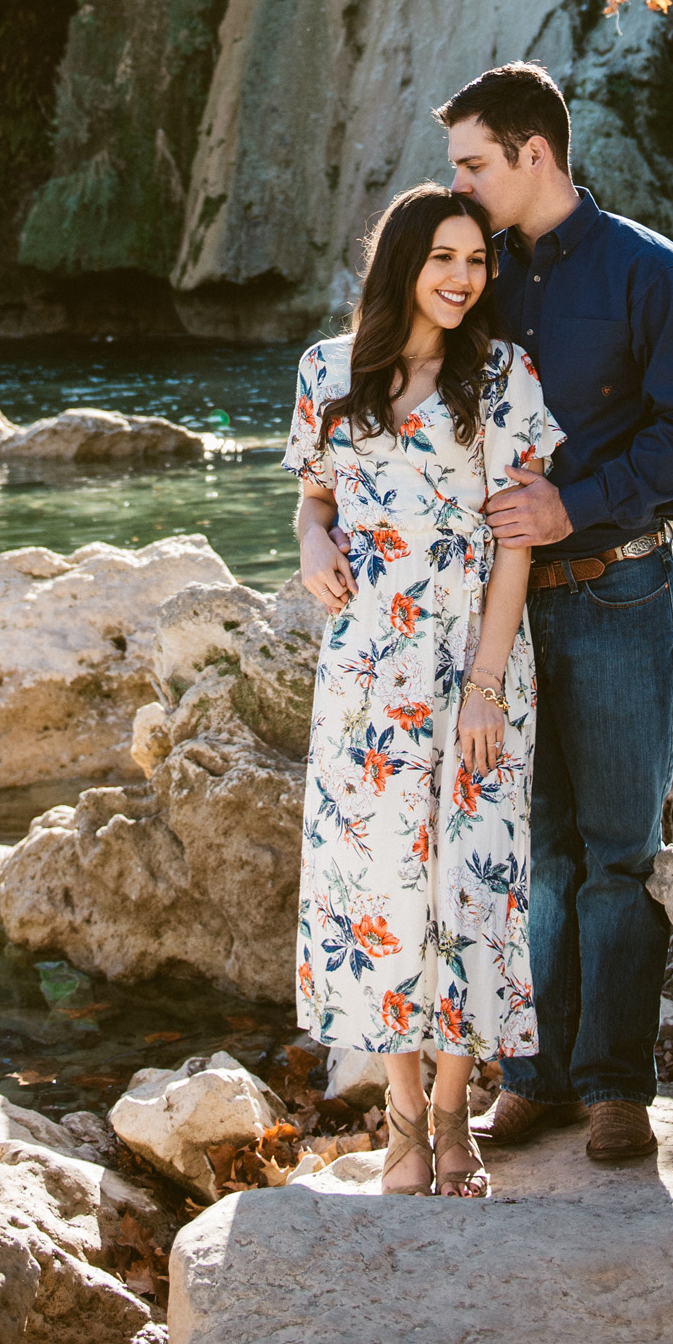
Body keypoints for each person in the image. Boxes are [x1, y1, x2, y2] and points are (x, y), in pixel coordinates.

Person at [438, 61, 673, 1166]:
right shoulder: (472, 276)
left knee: (618, 849)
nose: (458, 185)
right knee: (529, 849)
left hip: (618, 587)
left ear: (533, 155)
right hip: (500, 613)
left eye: (472, 163)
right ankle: (535, 1078)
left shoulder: (658, 278)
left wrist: (575, 504)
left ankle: (617, 1087)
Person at [288, 183, 564, 1198]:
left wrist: (487, 685)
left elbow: (514, 546)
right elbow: (312, 503)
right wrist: (314, 544)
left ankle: (458, 1117)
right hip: (363, 675)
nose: (460, 278)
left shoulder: (500, 377)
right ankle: (403, 1123)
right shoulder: (327, 372)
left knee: (474, 882)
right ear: (401, 262)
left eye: (475, 262)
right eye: (443, 258)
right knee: (381, 886)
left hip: (473, 665)